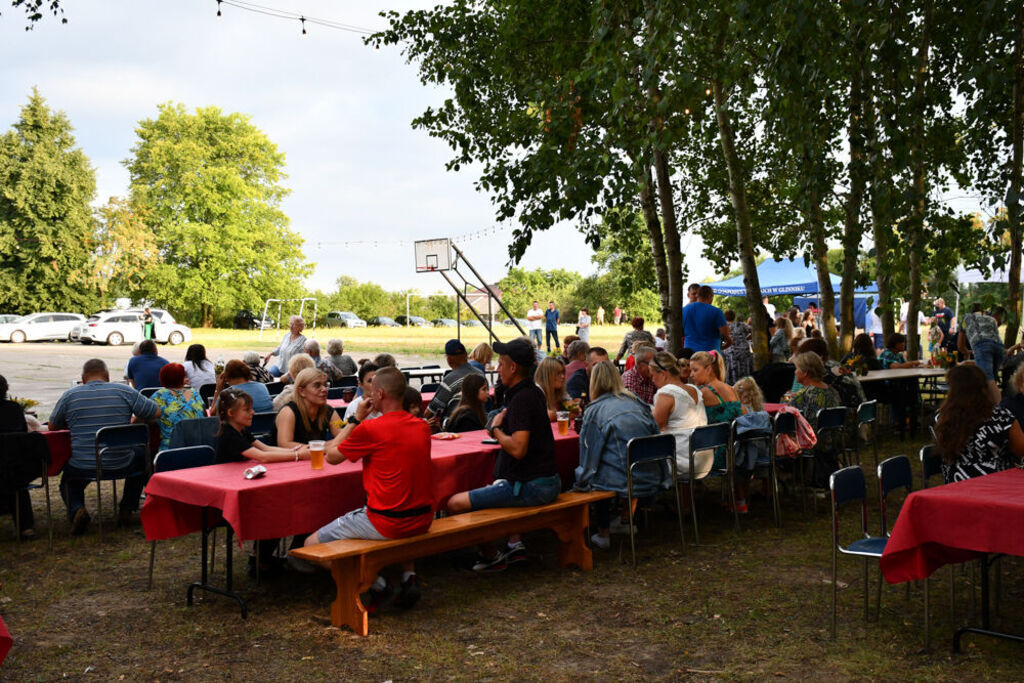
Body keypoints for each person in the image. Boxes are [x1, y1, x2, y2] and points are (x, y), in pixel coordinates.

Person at [306, 367, 434, 611]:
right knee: (398, 505)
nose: (369, 397)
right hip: (422, 517)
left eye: (373, 392)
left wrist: (355, 420)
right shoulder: (421, 426)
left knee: (312, 545)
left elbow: (332, 457)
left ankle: (377, 585)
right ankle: (408, 576)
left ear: (381, 394)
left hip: (387, 521)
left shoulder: (371, 429)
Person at [447, 338, 560, 572]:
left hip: (532, 486)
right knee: (492, 483)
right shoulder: (533, 392)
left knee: (455, 503)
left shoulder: (520, 399)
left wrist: (496, 429)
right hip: (546, 480)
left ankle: (492, 556)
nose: (497, 369)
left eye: (500, 364)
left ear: (512, 368)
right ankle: (510, 543)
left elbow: (518, 449)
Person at [49, 359, 161, 534]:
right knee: (143, 459)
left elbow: (52, 427)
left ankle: (77, 509)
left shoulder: (70, 395)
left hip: (84, 465)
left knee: (68, 482)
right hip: (122, 462)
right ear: (107, 376)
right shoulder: (123, 391)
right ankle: (127, 508)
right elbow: (156, 412)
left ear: (83, 378)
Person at [575, 360, 664, 549]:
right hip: (652, 474)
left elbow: (589, 453)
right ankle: (625, 520)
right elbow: (655, 433)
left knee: (596, 472)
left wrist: (578, 481)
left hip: (623, 479)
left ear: (594, 382)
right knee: (620, 460)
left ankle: (603, 532)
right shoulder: (637, 402)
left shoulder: (595, 409)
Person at [935, 364, 1024, 483]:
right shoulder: (1001, 417)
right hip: (996, 485)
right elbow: (1021, 450)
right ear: (984, 388)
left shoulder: (942, 418)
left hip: (955, 485)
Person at [649, 351, 709, 480]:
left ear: (663, 374)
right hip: (704, 458)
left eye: (653, 375)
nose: (652, 380)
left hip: (683, 461)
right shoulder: (694, 389)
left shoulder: (666, 393)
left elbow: (654, 428)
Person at [215, 388, 309, 465]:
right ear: (231, 412)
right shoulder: (229, 435)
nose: (253, 412)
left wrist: (295, 450)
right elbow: (263, 457)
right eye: (247, 410)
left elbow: (266, 448)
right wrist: (298, 455)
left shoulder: (241, 430)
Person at [0, 374, 35, 538]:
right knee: (17, 483)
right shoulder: (14, 409)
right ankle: (26, 527)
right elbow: (23, 435)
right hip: (15, 469)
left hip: (8, 469)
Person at [275, 368, 343, 449]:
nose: (324, 389)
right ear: (301, 391)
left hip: (318, 459)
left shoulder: (329, 411)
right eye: (317, 385)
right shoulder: (288, 412)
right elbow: (285, 444)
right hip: (288, 461)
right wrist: (326, 446)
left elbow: (343, 437)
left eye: (325, 385)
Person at [424, 339, 484, 430]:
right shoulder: (480, 374)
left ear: (449, 359)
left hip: (455, 427)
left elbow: (430, 412)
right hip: (480, 423)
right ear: (466, 355)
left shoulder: (450, 379)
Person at [151, 363, 207, 451]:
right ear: (182, 378)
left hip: (171, 450)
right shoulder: (194, 393)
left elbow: (145, 416)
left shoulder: (159, 396)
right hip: (200, 448)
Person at [959, 304, 1006, 402]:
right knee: (991, 381)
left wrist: (966, 352)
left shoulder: (966, 318)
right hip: (999, 347)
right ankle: (989, 409)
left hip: (982, 345)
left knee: (987, 379)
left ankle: (1000, 411)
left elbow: (960, 345)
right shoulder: (991, 319)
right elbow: (994, 336)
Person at [784, 352, 841, 432]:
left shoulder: (801, 397)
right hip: (832, 440)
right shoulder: (833, 392)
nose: (795, 372)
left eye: (797, 368)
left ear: (805, 373)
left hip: (808, 441)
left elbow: (787, 424)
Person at [681, 285, 732, 353]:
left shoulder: (683, 310)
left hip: (689, 352)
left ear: (697, 296)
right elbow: (725, 333)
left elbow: (680, 332)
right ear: (710, 296)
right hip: (710, 353)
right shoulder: (716, 311)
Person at [535, 356, 573, 421]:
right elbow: (549, 415)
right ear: (547, 375)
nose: (563, 376)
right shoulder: (537, 391)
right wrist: (568, 415)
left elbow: (575, 408)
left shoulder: (560, 391)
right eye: (558, 373)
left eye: (563, 373)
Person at [723, 310, 753, 384]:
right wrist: (746, 338)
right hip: (744, 350)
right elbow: (753, 331)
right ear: (734, 316)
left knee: (732, 370)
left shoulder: (724, 327)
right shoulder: (742, 325)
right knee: (745, 370)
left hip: (731, 351)